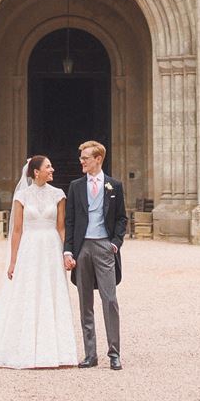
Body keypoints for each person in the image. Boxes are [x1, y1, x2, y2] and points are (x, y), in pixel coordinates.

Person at [0, 155, 80, 369]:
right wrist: (13, 261)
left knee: (51, 292)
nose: (52, 169)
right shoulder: (22, 196)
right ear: (36, 172)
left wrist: (66, 253)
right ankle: (23, 347)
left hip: (51, 248)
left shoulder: (59, 194)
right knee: (28, 292)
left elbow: (61, 227)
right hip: (30, 248)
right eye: (48, 167)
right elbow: (17, 231)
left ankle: (55, 350)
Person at [62, 139, 127, 370]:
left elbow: (121, 218)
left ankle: (114, 353)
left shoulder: (114, 186)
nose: (81, 161)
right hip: (82, 248)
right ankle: (91, 354)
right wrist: (68, 250)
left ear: (98, 159)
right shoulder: (76, 186)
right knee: (85, 302)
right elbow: (70, 220)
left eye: (85, 158)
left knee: (110, 300)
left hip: (104, 246)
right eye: (81, 158)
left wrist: (115, 243)